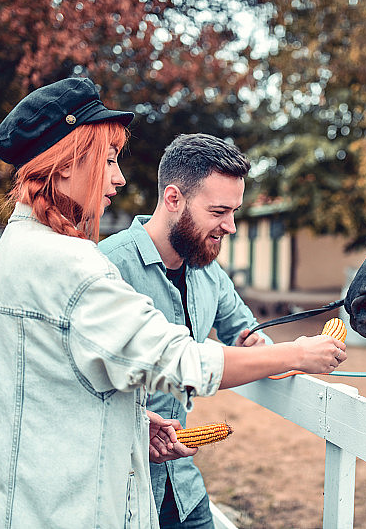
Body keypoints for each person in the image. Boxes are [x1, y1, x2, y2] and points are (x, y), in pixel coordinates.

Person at [0, 77, 347, 528]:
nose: (119, 178)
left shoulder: (10, 254)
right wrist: (299, 352)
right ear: (66, 164)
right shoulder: (78, 265)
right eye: (108, 160)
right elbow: (180, 361)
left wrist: (132, 424)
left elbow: (15, 392)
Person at [99, 133, 270, 528]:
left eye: (234, 211)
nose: (230, 226)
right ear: (173, 199)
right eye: (219, 211)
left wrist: (258, 344)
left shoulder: (207, 270)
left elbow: (245, 332)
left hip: (184, 489)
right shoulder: (106, 267)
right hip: (119, 492)